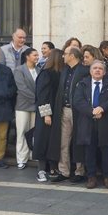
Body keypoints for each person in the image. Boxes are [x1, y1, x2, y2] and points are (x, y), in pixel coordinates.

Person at [73, 60, 108, 189]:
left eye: (100, 68)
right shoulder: (83, 84)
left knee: (106, 150)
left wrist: (102, 108)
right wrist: (92, 111)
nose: (98, 70)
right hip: (88, 122)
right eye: (95, 68)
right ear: (90, 71)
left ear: (104, 72)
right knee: (89, 150)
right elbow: (78, 101)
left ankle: (107, 176)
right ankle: (91, 177)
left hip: (105, 121)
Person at [49, 46, 88, 183]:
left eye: (65, 54)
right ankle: (64, 171)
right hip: (64, 110)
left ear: (72, 55)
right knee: (63, 142)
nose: (63, 56)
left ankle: (79, 171)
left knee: (79, 141)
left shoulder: (84, 71)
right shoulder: (64, 70)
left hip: (78, 112)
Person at [33, 49, 64, 182]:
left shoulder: (59, 73)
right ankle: (40, 169)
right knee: (43, 140)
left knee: (52, 141)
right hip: (46, 112)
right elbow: (42, 96)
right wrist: (46, 114)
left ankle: (52, 167)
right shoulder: (46, 74)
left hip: (55, 112)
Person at [13, 48, 40, 170]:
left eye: (37, 55)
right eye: (34, 55)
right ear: (27, 56)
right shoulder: (19, 70)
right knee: (22, 131)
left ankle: (32, 154)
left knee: (32, 131)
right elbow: (22, 88)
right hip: (23, 105)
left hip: (36, 106)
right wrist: (37, 98)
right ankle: (21, 158)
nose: (37, 57)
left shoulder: (39, 69)